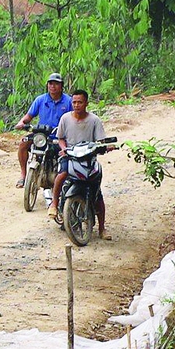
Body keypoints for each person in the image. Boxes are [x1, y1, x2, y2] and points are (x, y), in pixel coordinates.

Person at [53, 89, 109, 238]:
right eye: (74, 102)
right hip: (70, 156)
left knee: (97, 193)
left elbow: (101, 141)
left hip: (88, 158)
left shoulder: (94, 120)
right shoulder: (65, 118)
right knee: (62, 174)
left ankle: (102, 228)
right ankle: (53, 204)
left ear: (86, 103)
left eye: (80, 102)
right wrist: (64, 149)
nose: (76, 105)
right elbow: (60, 138)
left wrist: (104, 147)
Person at [15, 72, 70, 189]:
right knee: (23, 144)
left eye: (56, 84)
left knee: (67, 153)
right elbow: (29, 116)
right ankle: (23, 175)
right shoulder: (40, 100)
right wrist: (21, 123)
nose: (52, 86)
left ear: (61, 86)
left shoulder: (68, 101)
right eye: (50, 83)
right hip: (41, 134)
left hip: (58, 136)